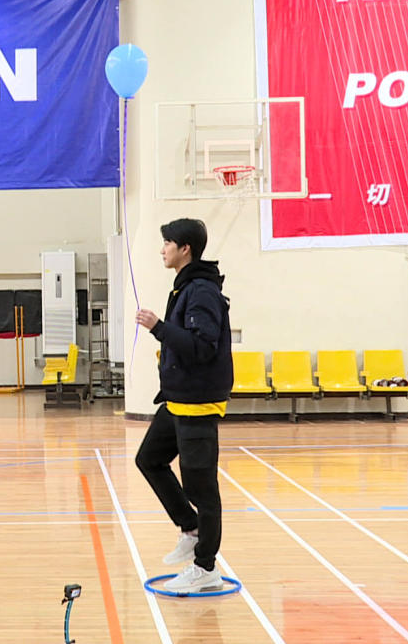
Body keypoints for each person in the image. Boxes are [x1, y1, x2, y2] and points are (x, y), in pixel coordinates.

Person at [134, 218, 233, 593]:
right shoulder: (186, 288)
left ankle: (206, 567)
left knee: (202, 490)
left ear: (184, 249)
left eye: (167, 243)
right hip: (177, 402)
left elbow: (202, 346)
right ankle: (190, 528)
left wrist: (159, 327)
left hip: (198, 406)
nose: (163, 250)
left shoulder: (202, 291)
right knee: (149, 460)